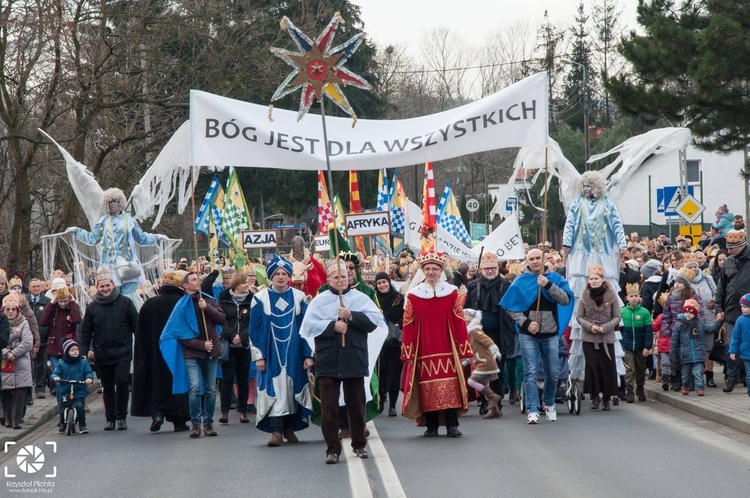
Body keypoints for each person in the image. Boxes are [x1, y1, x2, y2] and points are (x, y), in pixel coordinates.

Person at [300, 261, 386, 464]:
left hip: (354, 359)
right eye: (336, 277)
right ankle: (332, 449)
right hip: (328, 360)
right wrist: (332, 326)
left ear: (350, 279)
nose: (341, 281)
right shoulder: (319, 301)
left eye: (345, 277)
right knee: (329, 408)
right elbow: (308, 327)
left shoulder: (360, 298)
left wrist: (352, 316)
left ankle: (359, 445)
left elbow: (374, 322)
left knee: (355, 405)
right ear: (329, 280)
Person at [562, 171, 627, 382]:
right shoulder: (577, 203)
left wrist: (622, 243)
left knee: (606, 292)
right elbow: (570, 224)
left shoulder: (607, 203)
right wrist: (566, 242)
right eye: (586, 187)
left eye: (592, 187)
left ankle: (610, 375)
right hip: (581, 254)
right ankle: (579, 372)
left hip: (603, 253)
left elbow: (616, 224)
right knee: (581, 291)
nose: (588, 191)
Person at [401, 251, 472, 437]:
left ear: (441, 271)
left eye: (435, 269)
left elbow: (459, 320)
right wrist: (407, 352)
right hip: (423, 347)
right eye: (427, 269)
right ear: (423, 271)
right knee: (427, 388)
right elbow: (408, 324)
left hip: (447, 347)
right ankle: (431, 425)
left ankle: (452, 425)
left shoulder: (451, 293)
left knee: (451, 387)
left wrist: (464, 347)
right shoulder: (414, 295)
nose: (431, 272)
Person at [500, 248, 574, 424]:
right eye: (531, 258)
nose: (534, 261)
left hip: (550, 334)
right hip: (528, 334)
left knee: (553, 371)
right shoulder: (520, 281)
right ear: (527, 261)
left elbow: (565, 300)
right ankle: (532, 409)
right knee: (531, 371)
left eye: (537, 258)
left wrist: (548, 285)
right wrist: (526, 323)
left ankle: (549, 403)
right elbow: (510, 308)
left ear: (543, 260)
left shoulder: (556, 278)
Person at [250, 256, 313, 447]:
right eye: (276, 274)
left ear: (289, 276)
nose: (280, 277)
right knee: (275, 389)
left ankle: (290, 429)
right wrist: (259, 356)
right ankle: (276, 432)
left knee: (292, 388)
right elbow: (255, 330)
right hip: (270, 352)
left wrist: (308, 354)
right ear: (270, 276)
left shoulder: (299, 297)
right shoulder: (259, 298)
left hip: (294, 352)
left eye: (284, 273)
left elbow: (306, 328)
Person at [68, 188, 167, 308]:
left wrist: (157, 238)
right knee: (112, 297)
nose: (113, 204)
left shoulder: (129, 220)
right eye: (110, 202)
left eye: (115, 201)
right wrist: (78, 232)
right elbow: (93, 238)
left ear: (120, 202)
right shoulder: (103, 221)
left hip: (128, 265)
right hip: (109, 266)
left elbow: (141, 238)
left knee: (129, 298)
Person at [131, 269, 191, 432]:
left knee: (157, 382)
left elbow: (140, 331)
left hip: (153, 352)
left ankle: (157, 414)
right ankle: (179, 420)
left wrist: (143, 355)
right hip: (177, 352)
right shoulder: (183, 303)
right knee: (177, 383)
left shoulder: (149, 304)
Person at [79, 270, 139, 431]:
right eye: (102, 286)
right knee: (107, 386)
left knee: (121, 382)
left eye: (108, 285)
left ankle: (121, 416)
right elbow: (86, 332)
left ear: (113, 285)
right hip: (102, 352)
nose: (105, 289)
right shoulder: (92, 307)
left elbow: (136, 326)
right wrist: (83, 352)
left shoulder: (125, 303)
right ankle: (110, 418)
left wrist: (141, 346)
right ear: (97, 288)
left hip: (122, 351)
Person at [464, 252, 517, 407]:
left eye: (493, 268)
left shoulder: (506, 286)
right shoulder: (473, 286)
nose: (490, 271)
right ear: (482, 270)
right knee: (481, 368)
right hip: (479, 336)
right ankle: (483, 401)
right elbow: (466, 310)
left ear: (498, 268)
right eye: (486, 268)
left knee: (498, 370)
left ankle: (496, 402)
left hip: (501, 334)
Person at [577, 264, 621, 410]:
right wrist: (590, 326)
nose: (593, 281)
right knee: (592, 366)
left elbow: (617, 316)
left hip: (606, 336)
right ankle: (594, 395)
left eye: (596, 278)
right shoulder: (584, 296)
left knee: (607, 366)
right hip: (589, 337)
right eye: (591, 279)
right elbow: (579, 317)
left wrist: (605, 327)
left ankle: (606, 397)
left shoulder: (611, 295)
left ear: (602, 279)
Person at [714, 229, 750, 393]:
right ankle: (732, 376)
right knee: (730, 345)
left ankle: (745, 375)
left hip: (748, 312)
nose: (728, 251)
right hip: (730, 311)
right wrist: (718, 308)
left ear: (741, 245)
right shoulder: (728, 262)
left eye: (732, 248)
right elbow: (721, 288)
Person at [218, 271, 255, 425]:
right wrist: (232, 335)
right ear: (236, 285)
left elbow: (253, 321)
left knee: (243, 378)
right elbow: (221, 319)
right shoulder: (224, 298)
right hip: (229, 344)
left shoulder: (252, 299)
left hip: (244, 345)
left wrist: (242, 337)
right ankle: (225, 411)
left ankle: (243, 410)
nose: (248, 285)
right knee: (227, 379)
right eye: (244, 283)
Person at [38, 279, 82, 397]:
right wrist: (52, 303)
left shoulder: (72, 308)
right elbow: (43, 321)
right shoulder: (53, 309)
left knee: (70, 372)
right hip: (54, 346)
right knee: (58, 373)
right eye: (60, 301)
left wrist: (72, 303)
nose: (63, 304)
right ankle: (60, 395)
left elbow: (77, 320)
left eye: (65, 301)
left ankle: (72, 394)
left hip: (69, 345)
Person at [671, 299, 720, 396]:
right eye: (686, 312)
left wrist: (718, 322)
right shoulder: (679, 325)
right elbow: (674, 342)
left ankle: (699, 388)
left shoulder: (699, 323)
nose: (688, 315)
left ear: (696, 314)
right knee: (685, 374)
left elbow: (710, 329)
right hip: (685, 355)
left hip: (698, 354)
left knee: (698, 372)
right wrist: (673, 355)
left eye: (691, 313)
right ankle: (685, 386)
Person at [463, 309, 503, 419]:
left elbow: (487, 341)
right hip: (481, 363)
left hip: (485, 364)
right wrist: (466, 362)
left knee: (471, 381)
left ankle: (492, 396)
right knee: (485, 386)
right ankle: (494, 410)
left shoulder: (475, 331)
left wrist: (495, 351)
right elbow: (473, 352)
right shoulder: (470, 334)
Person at [374, 272, 404, 417]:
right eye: (379, 283)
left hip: (394, 342)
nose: (382, 285)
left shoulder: (399, 298)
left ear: (389, 282)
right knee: (381, 373)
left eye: (384, 282)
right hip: (379, 342)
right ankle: (380, 401)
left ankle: (392, 405)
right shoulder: (374, 299)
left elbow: (406, 315)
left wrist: (399, 324)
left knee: (394, 374)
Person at [1, 294, 33, 429]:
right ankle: (8, 417)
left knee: (20, 392)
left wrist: (13, 352)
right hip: (4, 361)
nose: (11, 312)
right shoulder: (2, 323)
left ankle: (17, 419)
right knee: (5, 392)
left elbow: (27, 342)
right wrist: (5, 352)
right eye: (8, 309)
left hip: (21, 362)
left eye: (13, 309)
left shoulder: (24, 322)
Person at [50, 339, 94, 433]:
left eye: (76, 350)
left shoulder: (83, 362)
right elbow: (55, 373)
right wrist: (55, 377)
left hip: (79, 388)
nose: (75, 352)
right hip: (66, 389)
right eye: (72, 350)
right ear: (66, 351)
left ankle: (82, 425)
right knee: (62, 407)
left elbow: (88, 372)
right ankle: (62, 424)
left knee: (80, 405)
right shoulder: (61, 363)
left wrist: (89, 378)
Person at [620, 282, 652, 403]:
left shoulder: (644, 312)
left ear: (639, 297)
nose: (634, 298)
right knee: (629, 369)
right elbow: (619, 330)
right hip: (627, 345)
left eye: (636, 296)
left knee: (641, 369)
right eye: (631, 296)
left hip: (640, 346)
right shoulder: (622, 312)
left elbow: (648, 332)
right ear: (627, 298)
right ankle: (629, 391)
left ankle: (640, 388)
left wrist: (647, 347)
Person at [27, 278, 51, 399]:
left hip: (43, 338)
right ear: (29, 288)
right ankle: (28, 390)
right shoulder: (24, 301)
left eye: (38, 286)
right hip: (27, 340)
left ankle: (40, 388)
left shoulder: (47, 301)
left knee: (42, 365)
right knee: (29, 365)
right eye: (34, 286)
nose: (36, 288)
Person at [728, 293, 750, 397]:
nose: (742, 309)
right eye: (741, 307)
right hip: (746, 352)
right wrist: (733, 351)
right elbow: (735, 337)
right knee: (749, 375)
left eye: (745, 307)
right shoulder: (740, 320)